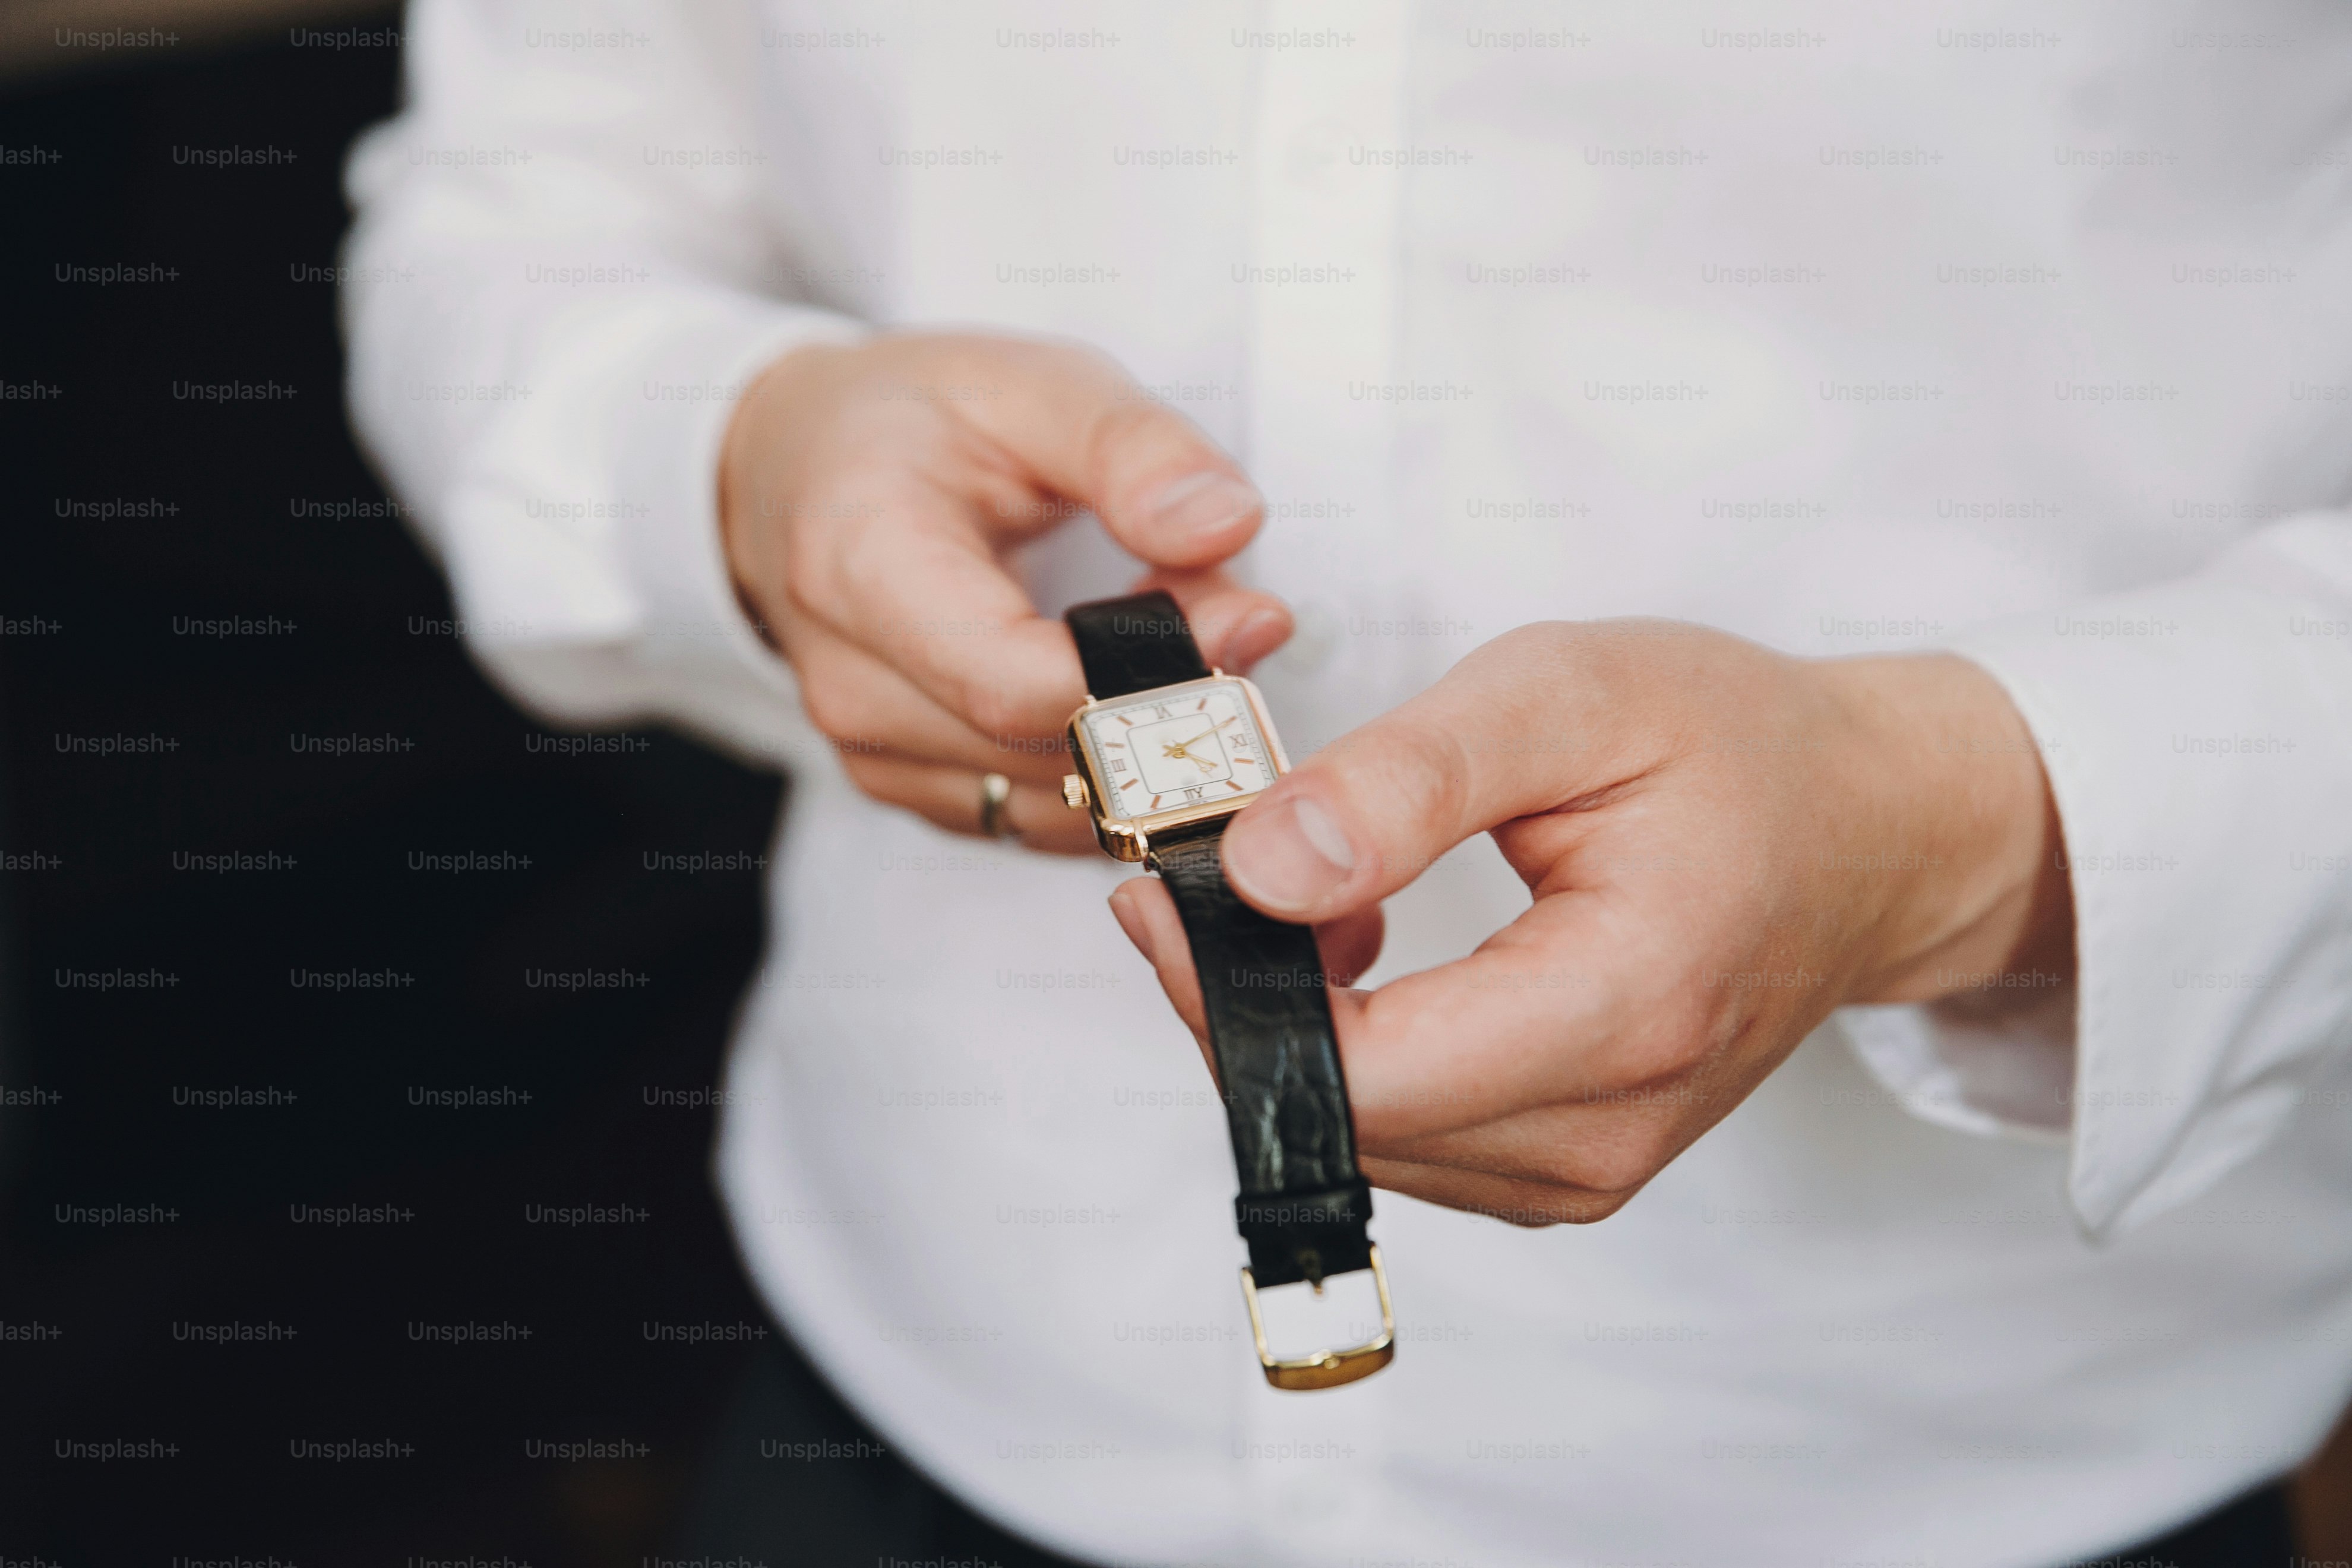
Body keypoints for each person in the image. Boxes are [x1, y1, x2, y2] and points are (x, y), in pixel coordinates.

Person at [342, 2, 2352, 1563]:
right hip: (918, 1352)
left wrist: (1963, 819)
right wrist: (723, 453)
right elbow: (526, 192)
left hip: (1975, 1442)